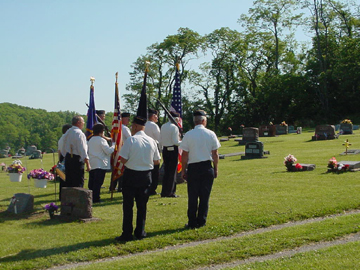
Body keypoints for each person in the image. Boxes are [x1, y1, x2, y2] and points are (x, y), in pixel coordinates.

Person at [115, 116, 161, 242]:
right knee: (142, 206)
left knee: (128, 206)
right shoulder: (152, 141)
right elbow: (157, 161)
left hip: (131, 174)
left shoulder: (131, 140)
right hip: (146, 175)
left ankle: (127, 233)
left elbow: (123, 159)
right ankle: (140, 231)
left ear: (135, 126)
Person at [180, 110, 221, 229]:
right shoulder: (211, 134)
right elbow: (215, 153)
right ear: (203, 120)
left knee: (192, 197)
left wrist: (183, 170)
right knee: (205, 196)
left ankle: (192, 221)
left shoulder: (188, 134)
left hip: (193, 168)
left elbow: (184, 155)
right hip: (207, 166)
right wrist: (216, 168)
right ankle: (202, 220)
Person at [61, 115, 91, 188]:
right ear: (78, 122)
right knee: (78, 181)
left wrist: (65, 155)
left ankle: (70, 197)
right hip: (76, 159)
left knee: (69, 181)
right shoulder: (79, 133)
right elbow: (82, 149)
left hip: (68, 157)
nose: (83, 123)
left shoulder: (68, 132)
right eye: (82, 122)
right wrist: (87, 163)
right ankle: (78, 198)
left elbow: (62, 144)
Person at [88, 124, 115, 203]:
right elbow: (108, 151)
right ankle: (96, 198)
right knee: (98, 183)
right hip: (100, 163)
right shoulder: (101, 140)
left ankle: (91, 197)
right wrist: (113, 145)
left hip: (92, 163)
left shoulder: (91, 139)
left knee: (92, 183)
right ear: (101, 132)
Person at [160, 111, 181, 197]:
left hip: (165, 150)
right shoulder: (174, 128)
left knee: (167, 171)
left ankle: (164, 191)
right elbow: (175, 142)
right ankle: (170, 192)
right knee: (172, 172)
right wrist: (183, 142)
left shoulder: (163, 126)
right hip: (172, 150)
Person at [109, 112, 132, 192]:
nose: (128, 121)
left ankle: (112, 186)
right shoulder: (124, 128)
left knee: (116, 168)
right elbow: (130, 138)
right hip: (122, 150)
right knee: (121, 169)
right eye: (127, 119)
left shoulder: (116, 127)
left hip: (117, 150)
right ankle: (120, 187)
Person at [144, 108, 161, 195]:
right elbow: (159, 138)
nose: (157, 117)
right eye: (156, 116)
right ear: (153, 116)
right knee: (155, 169)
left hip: (143, 148)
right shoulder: (154, 125)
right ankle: (152, 188)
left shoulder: (144, 124)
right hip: (153, 147)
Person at [57, 124, 72, 200]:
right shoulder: (66, 139)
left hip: (61, 158)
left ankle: (61, 195)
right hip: (66, 158)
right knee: (67, 179)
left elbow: (59, 151)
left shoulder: (61, 139)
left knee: (63, 180)